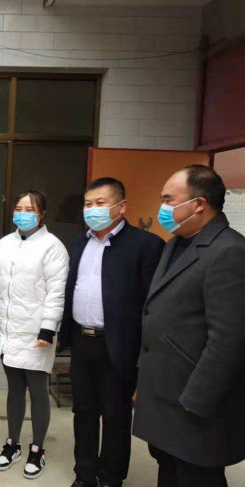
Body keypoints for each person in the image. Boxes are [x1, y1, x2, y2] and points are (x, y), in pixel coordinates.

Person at [133, 165, 245, 487]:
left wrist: (195, 401)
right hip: (164, 394)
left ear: (199, 204)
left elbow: (229, 339)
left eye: (169, 199)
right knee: (169, 471)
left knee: (196, 477)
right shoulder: (176, 243)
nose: (163, 208)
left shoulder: (229, 251)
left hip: (193, 406)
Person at [60, 177, 164, 487]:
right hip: (82, 341)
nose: (92, 209)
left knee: (116, 414)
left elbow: (152, 304)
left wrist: (144, 353)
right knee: (83, 411)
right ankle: (84, 473)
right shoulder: (80, 242)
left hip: (119, 345)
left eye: (100, 203)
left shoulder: (146, 245)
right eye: (88, 204)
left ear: (121, 207)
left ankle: (110, 477)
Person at [0, 190, 69, 479]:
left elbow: (56, 292)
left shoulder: (53, 247)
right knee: (14, 390)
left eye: (30, 209)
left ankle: (37, 448)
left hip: (37, 333)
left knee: (37, 392)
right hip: (8, 331)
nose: (22, 214)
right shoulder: (3, 244)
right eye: (19, 208)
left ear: (41, 214)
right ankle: (12, 443)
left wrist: (48, 328)